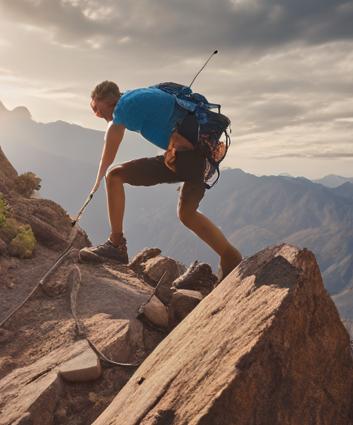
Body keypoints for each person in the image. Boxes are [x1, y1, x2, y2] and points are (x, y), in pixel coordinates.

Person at [82, 80, 242, 280]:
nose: (99, 115)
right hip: (191, 159)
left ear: (109, 102)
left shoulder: (123, 105)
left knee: (113, 175)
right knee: (186, 214)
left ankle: (116, 246)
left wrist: (97, 180)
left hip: (185, 159)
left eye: (98, 110)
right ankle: (230, 256)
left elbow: (112, 140)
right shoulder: (137, 94)